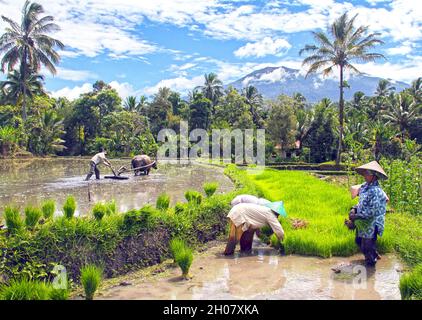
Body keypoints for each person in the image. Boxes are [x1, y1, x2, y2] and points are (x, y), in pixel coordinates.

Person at [347, 161, 388, 267]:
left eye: (366, 174)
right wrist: (354, 209)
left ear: (374, 176)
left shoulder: (375, 191)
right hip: (362, 221)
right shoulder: (365, 187)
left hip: (371, 222)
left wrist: (356, 216)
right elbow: (361, 202)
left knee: (366, 246)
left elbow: (372, 211)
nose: (364, 176)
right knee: (358, 240)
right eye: (364, 173)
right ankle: (374, 254)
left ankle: (370, 266)